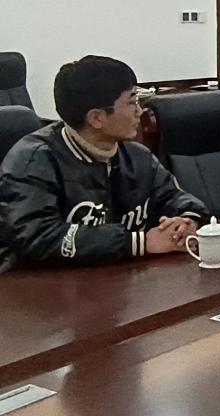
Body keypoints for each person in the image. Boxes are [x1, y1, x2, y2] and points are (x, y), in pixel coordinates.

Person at [0, 56, 209, 271]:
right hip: (40, 284)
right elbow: (38, 237)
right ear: (96, 118)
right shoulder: (33, 162)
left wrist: (188, 221)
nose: (140, 111)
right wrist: (139, 243)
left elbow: (173, 197)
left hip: (120, 278)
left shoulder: (137, 156)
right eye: (131, 102)